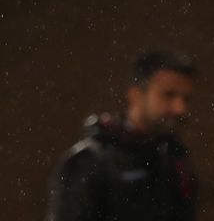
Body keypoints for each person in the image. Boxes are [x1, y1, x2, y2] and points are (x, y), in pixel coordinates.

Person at [47, 48, 198, 221]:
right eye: (168, 95)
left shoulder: (175, 162)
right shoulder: (90, 162)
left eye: (186, 99)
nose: (180, 108)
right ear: (136, 96)